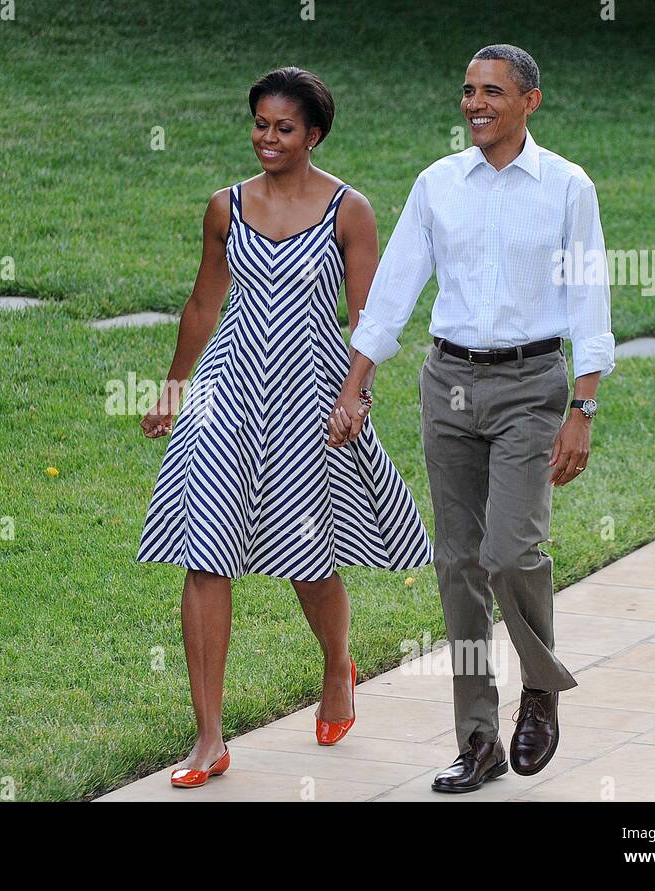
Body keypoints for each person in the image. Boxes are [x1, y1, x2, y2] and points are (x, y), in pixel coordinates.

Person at [136, 66, 432, 789]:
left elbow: (370, 319)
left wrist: (356, 395)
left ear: (315, 134)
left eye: (284, 128)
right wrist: (174, 386)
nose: (268, 138)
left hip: (312, 393)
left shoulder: (347, 210)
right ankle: (210, 735)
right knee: (205, 552)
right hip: (226, 390)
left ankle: (338, 664)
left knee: (308, 560)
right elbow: (204, 304)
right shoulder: (225, 207)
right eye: (261, 125)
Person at [330, 45, 615, 793]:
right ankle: (478, 738)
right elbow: (392, 293)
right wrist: (356, 384)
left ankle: (542, 687)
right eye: (467, 90)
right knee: (458, 566)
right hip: (448, 381)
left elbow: (590, 302)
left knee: (511, 550)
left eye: (492, 90)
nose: (474, 102)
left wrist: (582, 407)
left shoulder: (566, 187)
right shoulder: (438, 185)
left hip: (531, 383)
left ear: (531, 101)